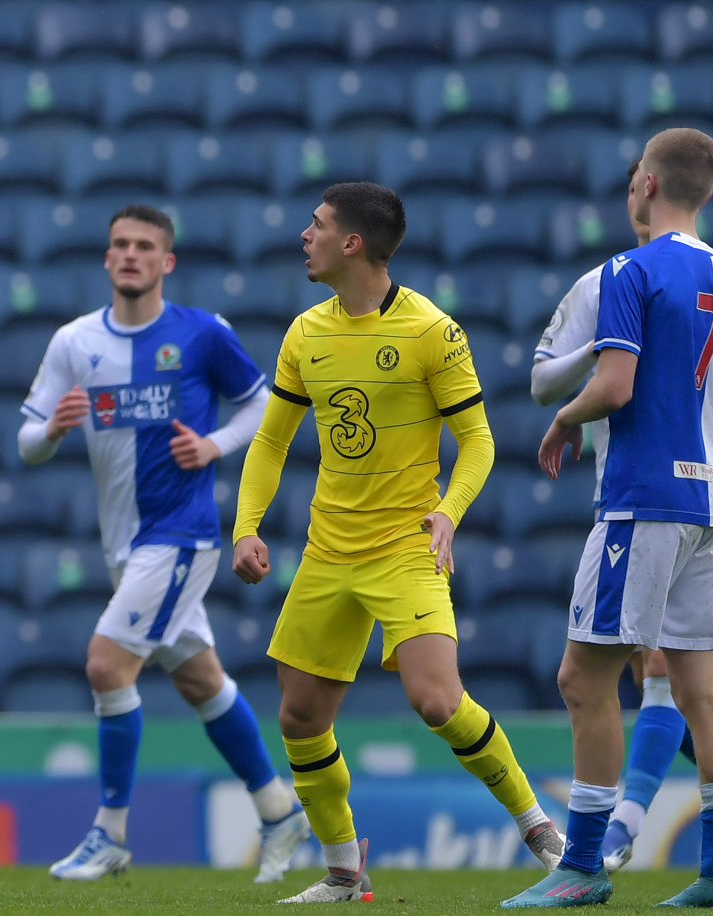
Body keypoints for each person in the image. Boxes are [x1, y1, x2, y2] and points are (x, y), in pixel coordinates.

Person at [234, 181, 564, 906]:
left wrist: (447, 512)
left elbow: (478, 441)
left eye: (317, 225)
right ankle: (345, 873)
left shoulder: (431, 330)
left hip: (405, 545)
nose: (304, 234)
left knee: (438, 701)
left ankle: (539, 828)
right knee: (298, 716)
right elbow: (270, 441)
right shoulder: (303, 333)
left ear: (353, 244)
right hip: (327, 551)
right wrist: (247, 526)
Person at [18, 204, 309, 884]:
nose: (130, 255)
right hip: (124, 545)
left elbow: (263, 405)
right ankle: (278, 808)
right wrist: (53, 432)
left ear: (166, 262)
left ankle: (110, 832)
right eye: (119, 244)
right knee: (201, 679)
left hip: (181, 537)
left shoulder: (202, 335)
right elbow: (26, 439)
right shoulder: (74, 342)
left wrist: (213, 445)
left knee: (104, 667)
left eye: (144, 246)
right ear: (106, 257)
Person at [504, 128, 713, 909]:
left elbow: (614, 384)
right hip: (709, 504)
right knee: (701, 692)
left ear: (645, 183)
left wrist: (563, 419)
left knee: (583, 677)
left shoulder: (629, 269)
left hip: (642, 502)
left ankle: (580, 865)